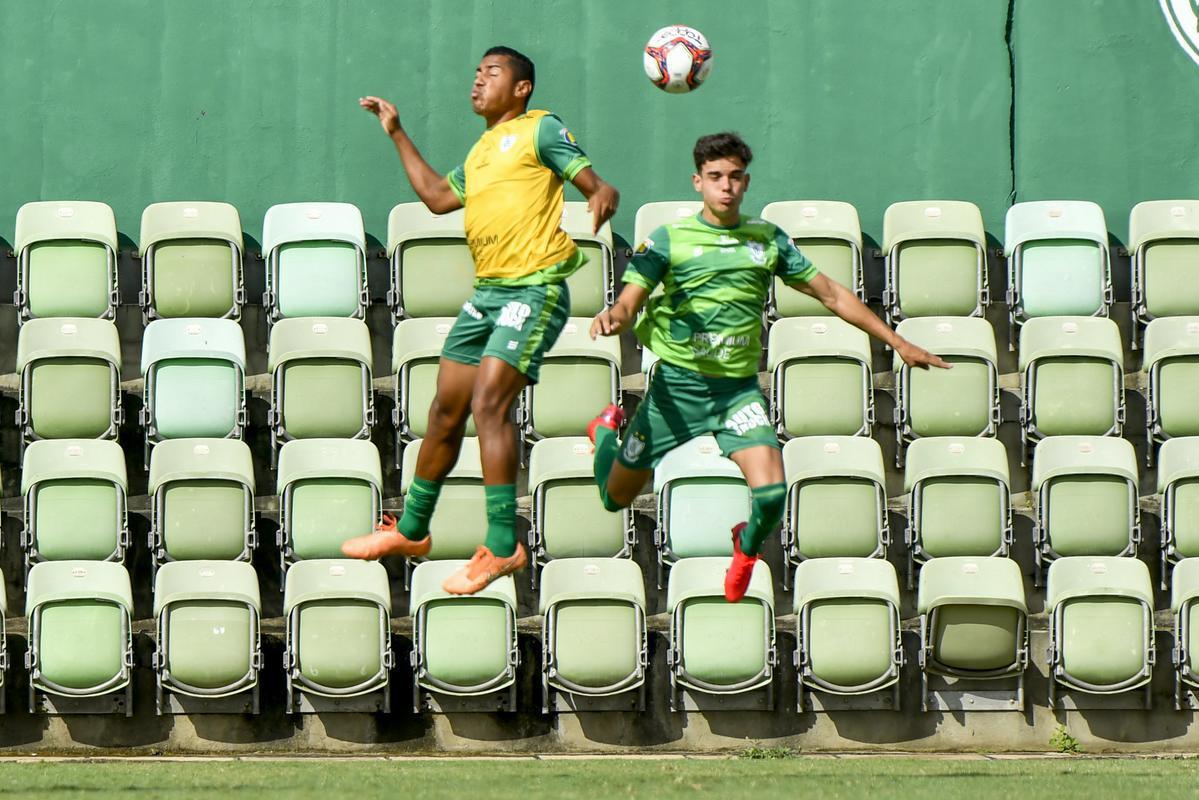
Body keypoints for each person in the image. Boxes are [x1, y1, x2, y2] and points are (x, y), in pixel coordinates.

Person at [587, 132, 948, 602]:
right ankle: (604, 435)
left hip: (736, 392)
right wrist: (615, 316)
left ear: (747, 181)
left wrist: (898, 342)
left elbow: (831, 293)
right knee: (613, 498)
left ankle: (746, 546)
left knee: (773, 493)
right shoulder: (669, 239)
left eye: (735, 177)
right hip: (676, 390)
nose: (726, 186)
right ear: (698, 181)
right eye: (716, 176)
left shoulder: (766, 239)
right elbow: (630, 300)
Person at [342, 46, 620, 594]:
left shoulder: (540, 129)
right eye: (476, 73)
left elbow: (591, 182)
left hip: (535, 289)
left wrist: (600, 191)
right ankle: (413, 530)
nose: (478, 81)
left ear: (521, 88)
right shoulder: (481, 151)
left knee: (489, 402)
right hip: (489, 293)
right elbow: (436, 197)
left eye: (491, 73)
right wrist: (396, 131)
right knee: (444, 410)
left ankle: (501, 544)